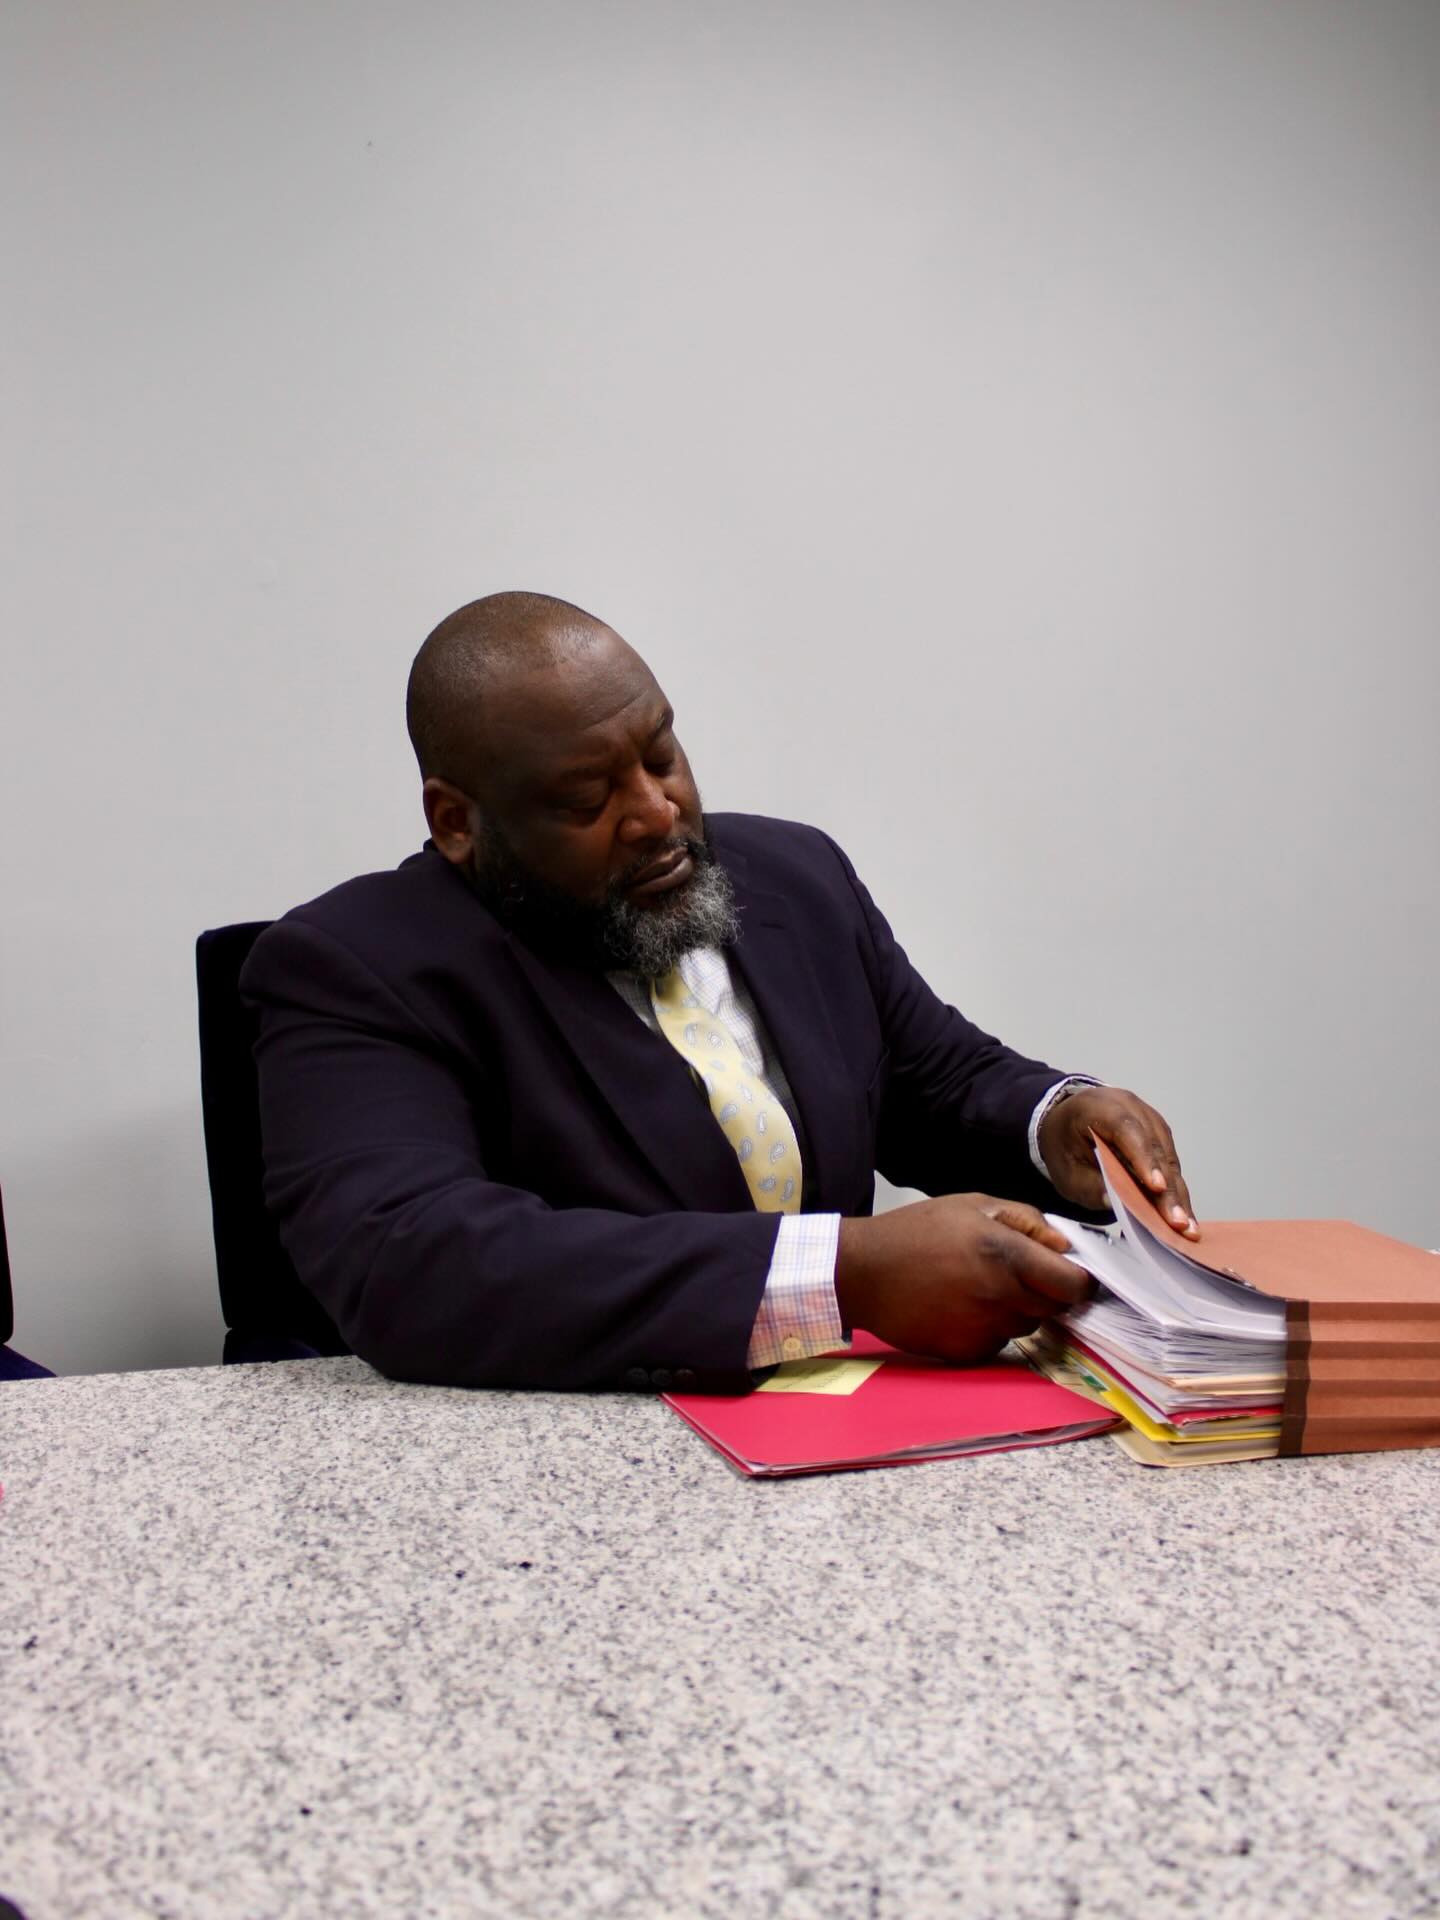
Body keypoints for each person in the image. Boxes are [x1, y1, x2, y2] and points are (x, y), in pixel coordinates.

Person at [241, 590, 1198, 1393]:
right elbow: (412, 1261)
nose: (656, 813)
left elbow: (932, 1077)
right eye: (586, 800)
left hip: (845, 1434)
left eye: (661, 756)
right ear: (457, 821)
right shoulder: (353, 965)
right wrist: (844, 1276)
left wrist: (1055, 1120)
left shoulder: (796, 878)